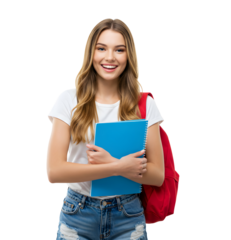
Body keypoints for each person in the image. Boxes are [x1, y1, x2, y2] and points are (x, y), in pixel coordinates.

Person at [47, 16, 165, 240]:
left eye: (119, 50)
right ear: (91, 52)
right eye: (102, 48)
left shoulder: (145, 104)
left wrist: (111, 162)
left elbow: (158, 175)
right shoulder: (68, 99)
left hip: (127, 214)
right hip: (77, 212)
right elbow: (54, 172)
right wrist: (118, 167)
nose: (110, 57)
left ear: (128, 55)